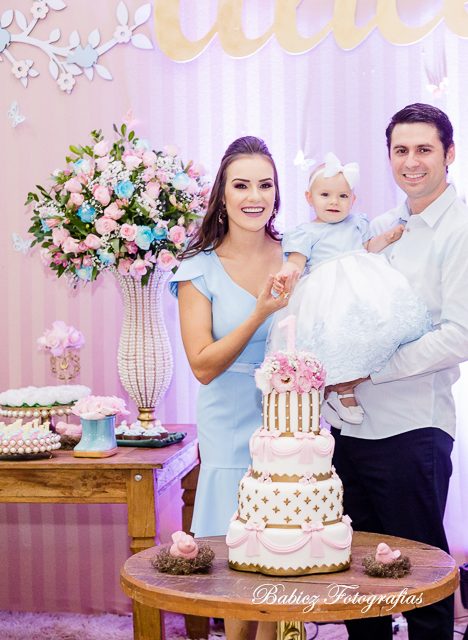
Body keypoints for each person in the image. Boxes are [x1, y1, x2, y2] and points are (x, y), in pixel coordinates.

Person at [323, 104, 468, 640]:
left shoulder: (465, 234)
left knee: (419, 578)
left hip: (413, 430)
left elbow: (459, 338)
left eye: (424, 149)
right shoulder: (378, 228)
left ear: (449, 154)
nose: (412, 162)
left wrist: (367, 372)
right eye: (401, 150)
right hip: (351, 429)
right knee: (358, 578)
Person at [171, 136, 294, 640]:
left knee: (286, 557)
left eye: (265, 184)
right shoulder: (196, 269)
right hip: (227, 422)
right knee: (236, 564)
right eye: (241, 184)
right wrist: (260, 312)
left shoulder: (297, 257)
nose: (253, 195)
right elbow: (202, 365)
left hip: (291, 423)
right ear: (222, 193)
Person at [266, 152, 433, 424]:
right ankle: (331, 393)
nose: (334, 201)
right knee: (330, 338)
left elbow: (367, 248)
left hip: (361, 284)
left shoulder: (357, 223)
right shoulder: (305, 232)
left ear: (352, 201)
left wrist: (387, 238)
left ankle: (345, 392)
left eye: (343, 196)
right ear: (310, 198)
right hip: (327, 292)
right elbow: (296, 261)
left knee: (365, 334)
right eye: (325, 195)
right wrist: (285, 273)